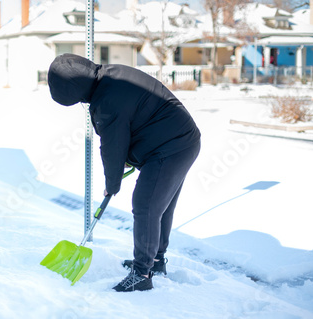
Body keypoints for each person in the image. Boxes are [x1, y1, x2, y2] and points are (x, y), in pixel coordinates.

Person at [47, 53, 201, 292]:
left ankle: (142, 274)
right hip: (180, 139)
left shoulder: (106, 101)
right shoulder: (111, 76)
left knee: (146, 206)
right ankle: (156, 261)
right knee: (159, 207)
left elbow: (113, 145)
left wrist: (112, 182)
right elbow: (129, 124)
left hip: (171, 147)